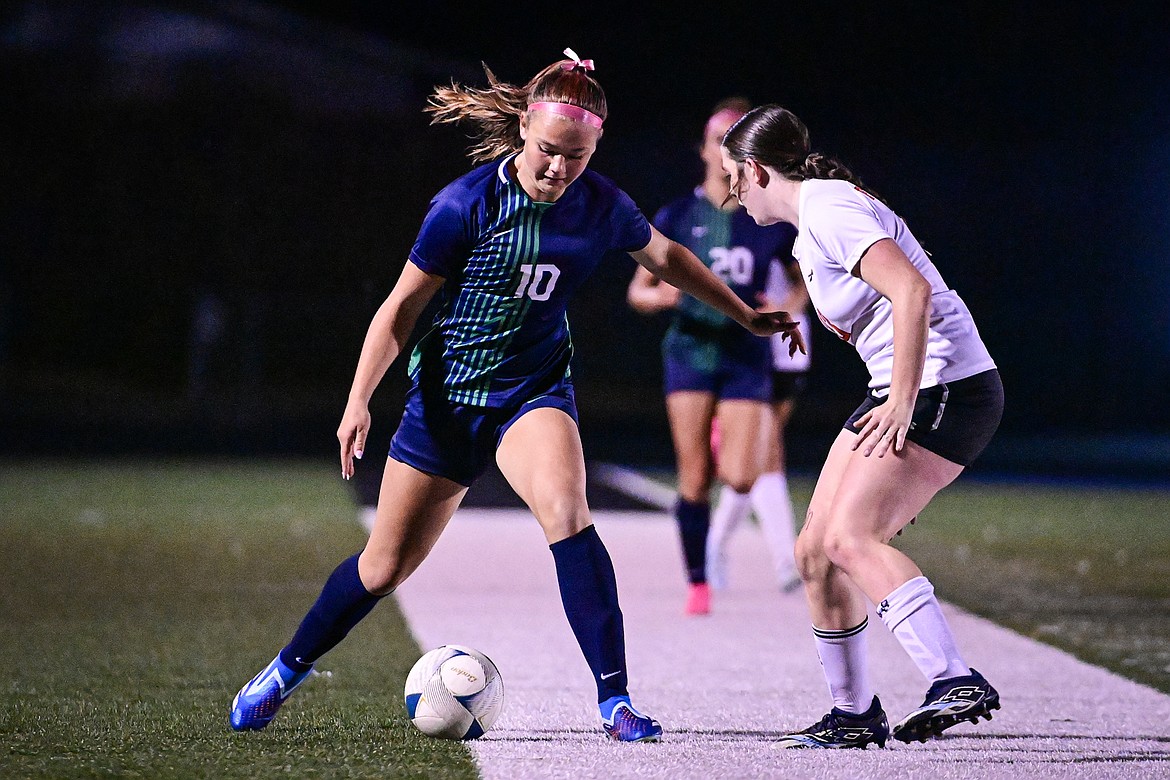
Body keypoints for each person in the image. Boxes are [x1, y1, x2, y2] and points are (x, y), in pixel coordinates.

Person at [228, 50, 802, 743]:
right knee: (382, 568)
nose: (561, 169)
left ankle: (614, 701)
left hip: (534, 391)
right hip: (447, 401)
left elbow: (669, 257)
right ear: (525, 127)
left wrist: (744, 312)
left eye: (578, 156)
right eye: (550, 152)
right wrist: (358, 401)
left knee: (567, 512)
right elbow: (399, 311)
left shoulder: (601, 205)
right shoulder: (464, 204)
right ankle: (285, 670)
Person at [719, 105, 1003, 748]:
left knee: (851, 537)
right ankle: (852, 713)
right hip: (905, 386)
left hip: (943, 388)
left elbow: (912, 292)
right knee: (813, 552)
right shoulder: (813, 219)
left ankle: (953, 677)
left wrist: (903, 401)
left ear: (756, 168)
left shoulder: (827, 209)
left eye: (735, 175)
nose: (732, 190)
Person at [627, 99, 805, 615]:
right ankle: (699, 581)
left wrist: (787, 306)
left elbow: (800, 285)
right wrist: (659, 296)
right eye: (717, 137)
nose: (723, 147)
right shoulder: (677, 215)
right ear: (704, 149)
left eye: (735, 138)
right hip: (691, 352)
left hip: (747, 355)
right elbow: (639, 289)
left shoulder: (763, 217)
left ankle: (723, 432)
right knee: (693, 478)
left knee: (743, 476)